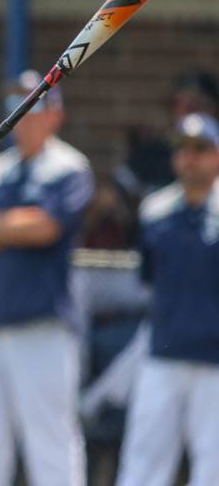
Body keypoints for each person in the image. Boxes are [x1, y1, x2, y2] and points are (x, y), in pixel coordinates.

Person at [0, 69, 93, 486]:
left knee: (50, 440)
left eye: (33, 106)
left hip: (42, 323)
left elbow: (48, 226)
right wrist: (11, 227)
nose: (21, 116)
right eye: (14, 107)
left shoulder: (68, 166)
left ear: (55, 115)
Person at [115, 113, 219, 486]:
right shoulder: (155, 209)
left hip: (216, 362)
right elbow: (148, 278)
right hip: (164, 353)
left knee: (213, 467)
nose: (190, 158)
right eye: (183, 149)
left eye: (200, 149)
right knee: (143, 464)